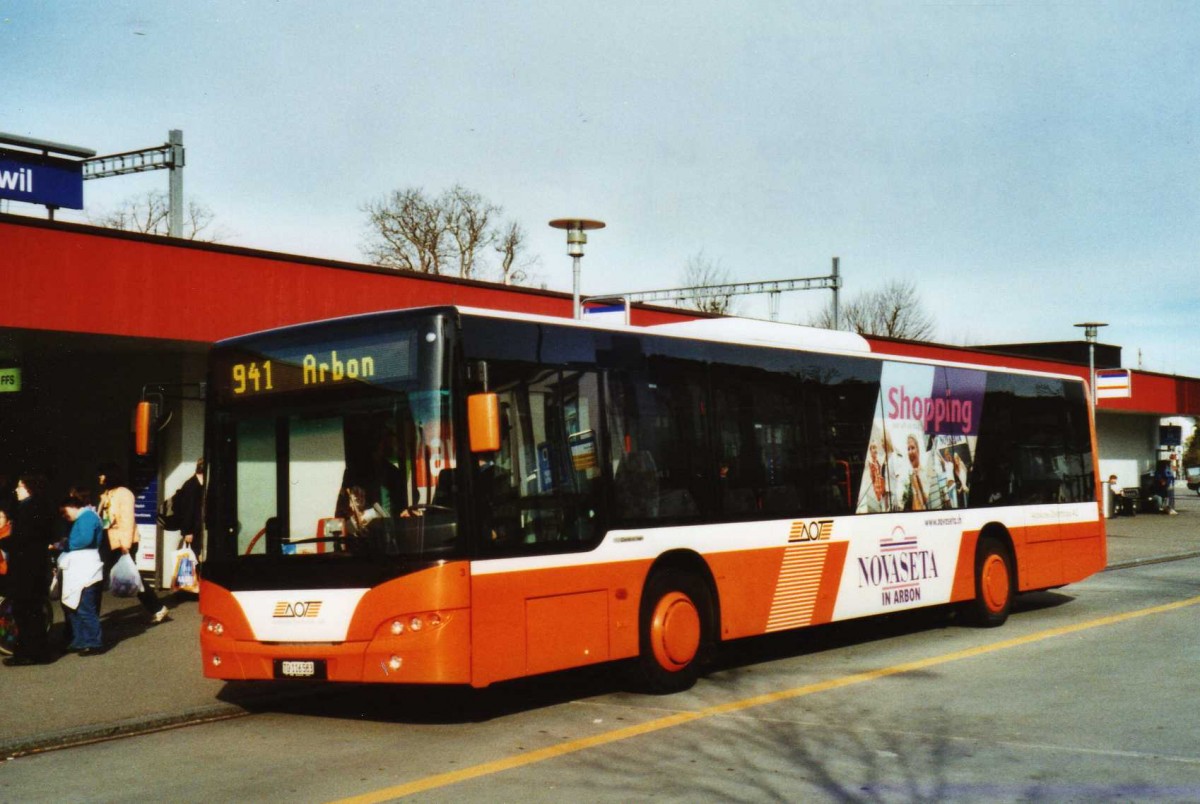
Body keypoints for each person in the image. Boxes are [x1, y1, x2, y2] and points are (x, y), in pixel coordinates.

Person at [98, 463, 169, 623]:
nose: (99, 477)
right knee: (108, 575)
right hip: (108, 539)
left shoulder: (124, 494)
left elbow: (128, 520)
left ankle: (157, 607)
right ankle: (156, 607)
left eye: (102, 474)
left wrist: (126, 545)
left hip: (121, 541)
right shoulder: (107, 493)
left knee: (131, 575)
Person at [3, 474, 56, 666]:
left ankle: (28, 653)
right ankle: (36, 652)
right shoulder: (40, 507)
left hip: (26, 569)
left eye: (20, 486)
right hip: (35, 567)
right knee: (33, 611)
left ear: (29, 489)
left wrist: (5, 542)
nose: (16, 490)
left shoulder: (29, 509)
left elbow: (22, 540)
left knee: (25, 612)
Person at [58, 495, 105, 655]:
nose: (65, 517)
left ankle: (93, 642)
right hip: (82, 566)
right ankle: (80, 640)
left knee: (84, 606)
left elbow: (85, 539)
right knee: (74, 606)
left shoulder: (87, 517)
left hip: (85, 566)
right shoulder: (88, 517)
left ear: (72, 506)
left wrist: (64, 544)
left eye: (65, 512)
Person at [170, 458, 205, 559]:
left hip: (196, 530)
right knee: (193, 558)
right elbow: (187, 511)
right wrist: (187, 532)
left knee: (196, 558)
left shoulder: (198, 485)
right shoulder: (191, 486)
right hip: (192, 531)